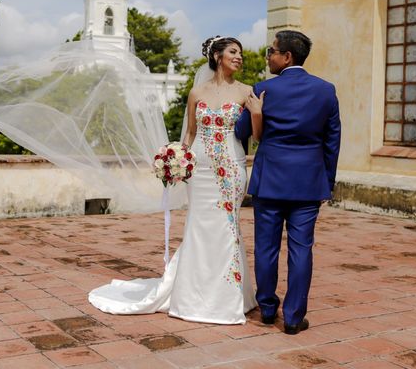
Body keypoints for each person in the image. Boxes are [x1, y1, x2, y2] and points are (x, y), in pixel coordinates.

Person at [88, 36, 262, 324]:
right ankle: (192, 295)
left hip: (231, 168)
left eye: (240, 53)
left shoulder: (247, 92)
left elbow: (256, 137)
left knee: (227, 226)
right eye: (234, 52)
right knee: (198, 225)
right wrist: (176, 159)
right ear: (218, 56)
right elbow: (190, 134)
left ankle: (228, 298)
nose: (240, 57)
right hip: (201, 171)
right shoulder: (197, 93)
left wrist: (256, 113)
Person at [235, 30, 341, 335]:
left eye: (272, 51)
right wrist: (327, 182)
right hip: (308, 183)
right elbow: (332, 142)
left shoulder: (264, 89)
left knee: (266, 248)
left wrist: (255, 112)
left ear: (287, 57)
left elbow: (242, 131)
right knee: (301, 249)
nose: (268, 56)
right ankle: (294, 317)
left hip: (269, 181)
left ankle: (268, 308)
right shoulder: (326, 90)